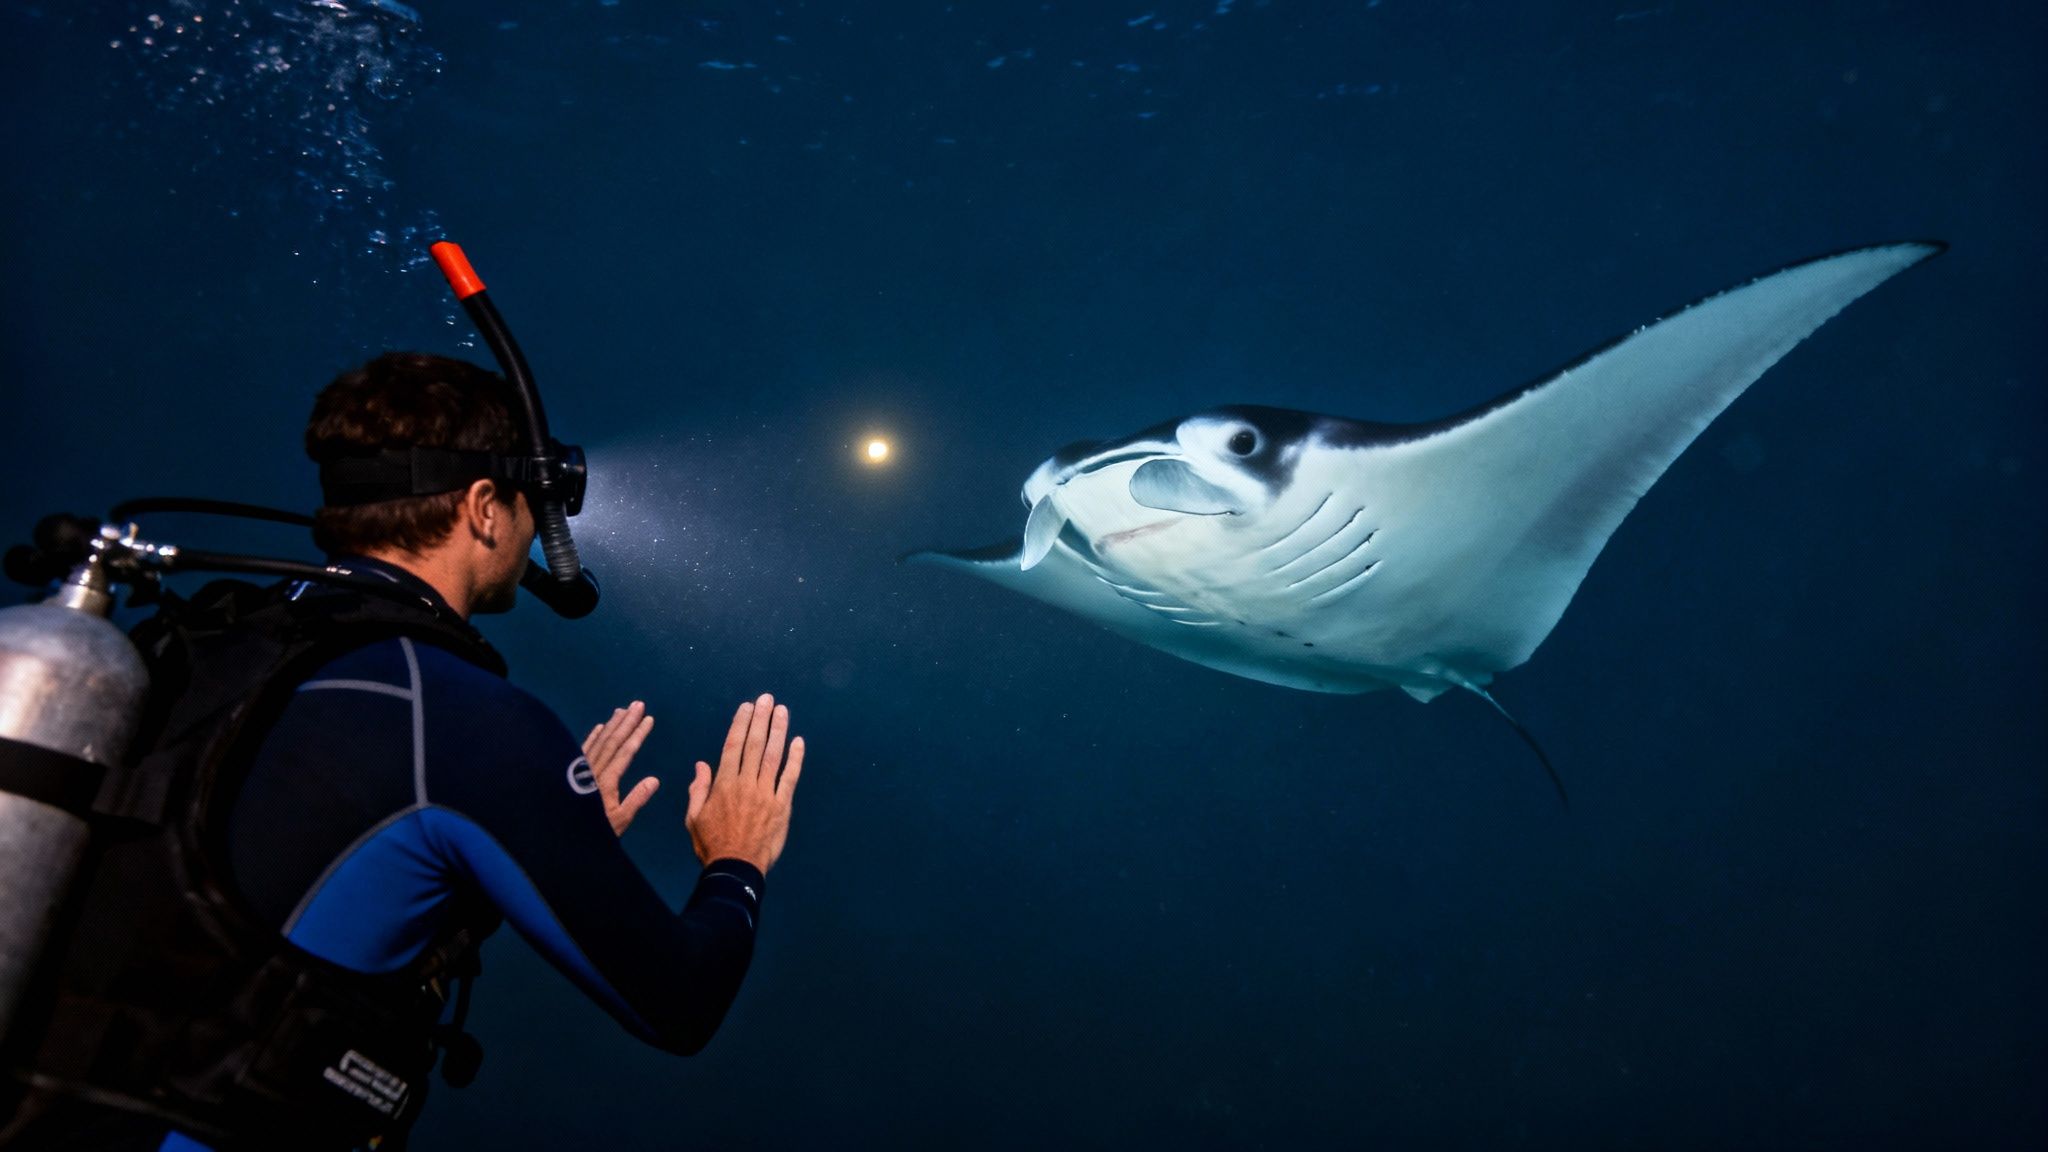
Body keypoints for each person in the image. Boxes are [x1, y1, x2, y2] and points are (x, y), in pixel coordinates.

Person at [16, 351, 807, 1151]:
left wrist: (526, 846)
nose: (538, 527)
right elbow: (677, 1003)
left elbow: (246, 895)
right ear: (485, 508)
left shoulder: (201, 647)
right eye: (531, 503)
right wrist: (735, 860)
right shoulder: (464, 721)